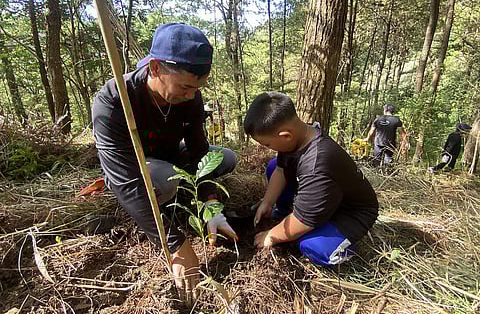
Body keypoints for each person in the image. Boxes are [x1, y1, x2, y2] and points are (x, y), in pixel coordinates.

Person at [92, 23, 238, 304]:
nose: (192, 95)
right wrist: (175, 244)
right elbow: (124, 180)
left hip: (171, 156)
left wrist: (211, 205)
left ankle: (179, 190)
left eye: (198, 87)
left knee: (226, 157)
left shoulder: (189, 97)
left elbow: (198, 151)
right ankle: (164, 196)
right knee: (164, 178)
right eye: (185, 86)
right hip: (134, 168)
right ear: (156, 67)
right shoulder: (114, 100)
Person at [244, 91, 378, 266]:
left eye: (267, 144)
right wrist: (267, 202)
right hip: (324, 198)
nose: (267, 148)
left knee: (312, 246)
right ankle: (284, 212)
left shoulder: (317, 164)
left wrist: (271, 236)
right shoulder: (298, 136)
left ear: (285, 135)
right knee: (272, 166)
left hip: (349, 213)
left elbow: (304, 220)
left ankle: (341, 247)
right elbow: (280, 170)